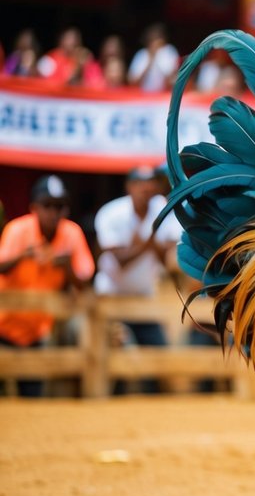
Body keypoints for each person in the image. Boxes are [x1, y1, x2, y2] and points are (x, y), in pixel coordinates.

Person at [0, 175, 95, 394]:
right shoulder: (18, 230)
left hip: (36, 332)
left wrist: (66, 267)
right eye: (47, 206)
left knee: (33, 397)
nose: (53, 213)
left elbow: (85, 282)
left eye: (59, 206)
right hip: (3, 326)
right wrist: (23, 256)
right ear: (34, 208)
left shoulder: (71, 233)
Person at [94, 166, 182, 392]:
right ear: (129, 186)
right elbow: (119, 260)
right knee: (115, 353)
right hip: (111, 295)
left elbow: (169, 256)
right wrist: (150, 243)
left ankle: (152, 410)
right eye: (140, 182)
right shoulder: (111, 212)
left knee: (158, 354)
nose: (146, 187)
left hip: (144, 296)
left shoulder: (160, 207)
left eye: (150, 182)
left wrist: (140, 246)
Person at [37, 27, 102, 88]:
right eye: (69, 39)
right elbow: (45, 82)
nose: (72, 42)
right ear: (61, 40)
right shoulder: (50, 59)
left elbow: (93, 82)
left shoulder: (82, 58)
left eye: (75, 40)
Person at [127, 23, 180, 92]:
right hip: (143, 96)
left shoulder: (169, 51)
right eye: (153, 39)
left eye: (158, 37)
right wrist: (151, 59)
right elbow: (132, 80)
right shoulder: (141, 54)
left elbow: (173, 77)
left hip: (165, 95)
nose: (155, 42)